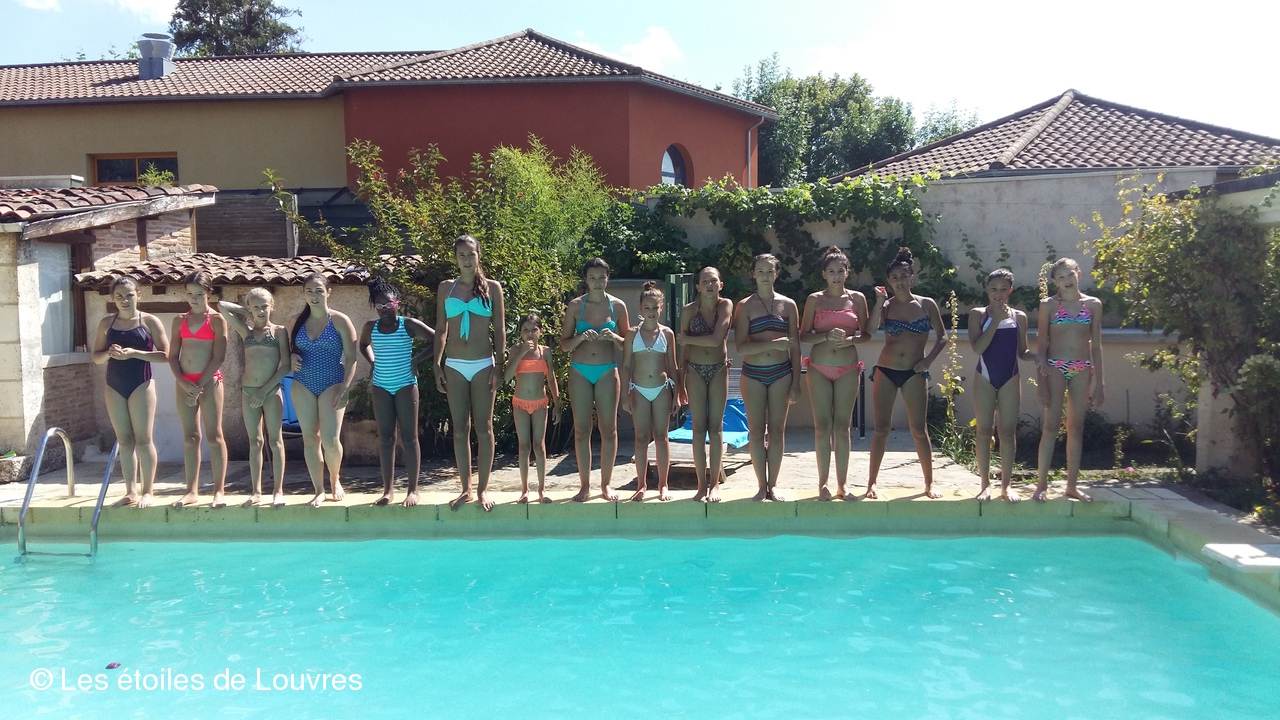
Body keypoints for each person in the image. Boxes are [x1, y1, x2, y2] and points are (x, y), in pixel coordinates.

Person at [866, 248, 948, 500]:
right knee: (881, 429)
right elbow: (870, 330)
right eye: (894, 277)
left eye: (904, 276)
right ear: (888, 281)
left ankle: (929, 483)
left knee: (919, 429)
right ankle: (871, 483)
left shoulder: (926, 304)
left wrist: (928, 360)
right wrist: (879, 302)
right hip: (886, 370)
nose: (899, 281)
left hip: (914, 371)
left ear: (912, 277)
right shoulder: (886, 306)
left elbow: (942, 336)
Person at [435, 235, 506, 511]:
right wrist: (437, 364)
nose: (466, 259)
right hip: (454, 364)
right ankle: (465, 488)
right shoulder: (446, 288)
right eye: (461, 255)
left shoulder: (493, 288)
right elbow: (441, 329)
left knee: (484, 428)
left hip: (483, 365)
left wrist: (499, 365)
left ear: (479, 255)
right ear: (455, 258)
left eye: (471, 254)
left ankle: (483, 489)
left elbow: (499, 330)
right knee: (460, 428)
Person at [800, 246, 870, 500]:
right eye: (832, 272)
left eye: (841, 271)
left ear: (847, 272)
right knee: (822, 427)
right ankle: (823, 484)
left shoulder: (857, 299)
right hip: (819, 367)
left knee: (842, 427)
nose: (836, 276)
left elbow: (866, 335)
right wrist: (826, 336)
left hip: (848, 368)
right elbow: (803, 335)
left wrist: (851, 340)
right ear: (824, 274)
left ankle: (843, 484)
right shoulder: (814, 300)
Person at [92, 276, 169, 509]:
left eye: (129, 295)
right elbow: (96, 357)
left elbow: (166, 355)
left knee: (144, 440)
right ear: (113, 298)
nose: (125, 300)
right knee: (125, 441)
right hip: (114, 385)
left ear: (139, 295)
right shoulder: (107, 323)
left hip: (141, 384)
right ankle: (130, 491)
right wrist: (109, 353)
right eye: (119, 296)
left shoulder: (149, 321)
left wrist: (135, 353)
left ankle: (148, 491)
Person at [358, 278, 435, 508]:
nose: (385, 309)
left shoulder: (408, 325)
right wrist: (373, 362)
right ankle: (388, 490)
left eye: (389, 304)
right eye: (380, 306)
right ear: (375, 307)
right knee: (386, 438)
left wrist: (416, 360)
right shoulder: (370, 327)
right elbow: (363, 345)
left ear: (397, 303)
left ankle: (413, 490)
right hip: (381, 386)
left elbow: (437, 339)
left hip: (405, 385)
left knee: (409, 438)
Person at [1035, 258, 1105, 502]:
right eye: (1061, 277)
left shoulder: (1093, 305)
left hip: (1082, 367)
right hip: (1055, 366)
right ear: (1055, 282)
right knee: (1050, 426)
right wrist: (1041, 382)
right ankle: (1041, 485)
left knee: (1076, 428)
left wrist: (1100, 383)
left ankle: (1072, 486)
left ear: (1079, 274)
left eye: (1070, 274)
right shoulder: (1049, 305)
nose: (1067, 280)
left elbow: (1096, 346)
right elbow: (1041, 345)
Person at [560, 258, 630, 502]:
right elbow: (564, 345)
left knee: (608, 429)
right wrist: (580, 338)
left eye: (602, 277)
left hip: (607, 371)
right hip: (580, 371)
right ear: (586, 280)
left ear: (607, 278)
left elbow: (628, 344)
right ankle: (584, 485)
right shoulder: (576, 306)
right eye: (592, 278)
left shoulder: (618, 306)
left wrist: (614, 338)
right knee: (582, 430)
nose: (598, 282)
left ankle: (606, 484)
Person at [733, 253, 801, 502]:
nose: (765, 275)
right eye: (760, 271)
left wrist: (797, 381)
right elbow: (741, 347)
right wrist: (773, 344)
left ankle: (774, 485)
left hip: (781, 373)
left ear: (777, 274)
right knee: (756, 431)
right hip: (753, 374)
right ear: (753, 274)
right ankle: (761, 485)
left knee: (777, 431)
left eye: (769, 271)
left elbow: (796, 347)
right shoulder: (744, 306)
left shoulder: (788, 305)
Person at [290, 272, 359, 508]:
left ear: (328, 292)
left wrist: (346, 387)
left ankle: (334, 479)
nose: (314, 296)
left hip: (333, 383)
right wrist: (291, 357)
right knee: (310, 438)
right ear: (304, 294)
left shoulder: (339, 321)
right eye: (309, 291)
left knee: (330, 440)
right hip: (303, 383)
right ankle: (318, 489)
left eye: (319, 291)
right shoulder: (297, 321)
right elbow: (289, 351)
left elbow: (351, 358)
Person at [218, 288, 291, 507]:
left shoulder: (279, 332)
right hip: (248, 392)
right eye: (256, 307)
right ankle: (256, 491)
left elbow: (285, 366)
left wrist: (264, 391)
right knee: (255, 441)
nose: (260, 311)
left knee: (275, 440)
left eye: (264, 306)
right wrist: (247, 312)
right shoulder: (246, 332)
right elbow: (222, 306)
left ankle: (278, 490)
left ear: (272, 306)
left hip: (270, 392)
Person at [968, 269, 1034, 503]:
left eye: (1003, 289)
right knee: (984, 431)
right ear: (986, 289)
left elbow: (1022, 351)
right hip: (984, 376)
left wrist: (1038, 357)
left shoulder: (1019, 317)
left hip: (1010, 377)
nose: (999, 294)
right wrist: (995, 320)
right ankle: (985, 484)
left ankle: (1006, 485)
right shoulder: (978, 314)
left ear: (1010, 291)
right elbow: (978, 348)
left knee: (1007, 432)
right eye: (994, 289)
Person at [167, 271, 229, 508]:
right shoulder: (178, 320)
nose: (194, 298)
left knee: (214, 436)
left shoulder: (216, 320)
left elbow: (218, 357)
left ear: (208, 293)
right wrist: (183, 382)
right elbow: (173, 356)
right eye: (190, 294)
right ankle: (191, 491)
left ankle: (218, 491)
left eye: (199, 294)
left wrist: (200, 384)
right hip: (184, 382)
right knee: (190, 437)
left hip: (209, 381)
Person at [621, 282, 683, 502]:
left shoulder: (667, 333)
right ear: (640, 308)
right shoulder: (632, 334)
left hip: (661, 389)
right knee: (640, 437)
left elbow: (672, 366)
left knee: (661, 436)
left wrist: (678, 394)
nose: (651, 312)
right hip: (638, 389)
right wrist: (624, 395)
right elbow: (626, 366)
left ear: (661, 308)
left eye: (655, 308)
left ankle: (663, 484)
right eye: (647, 308)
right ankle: (641, 485)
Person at [678, 267, 733, 503]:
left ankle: (714, 485)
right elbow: (683, 351)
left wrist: (689, 338)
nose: (709, 285)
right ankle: (701, 485)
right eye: (705, 281)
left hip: (718, 369)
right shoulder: (689, 310)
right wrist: (680, 383)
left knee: (716, 429)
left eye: (713, 281)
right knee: (698, 429)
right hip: (695, 370)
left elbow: (716, 340)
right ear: (698, 287)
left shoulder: (725, 305)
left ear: (721, 285)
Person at [503, 312, 561, 504]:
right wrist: (520, 354)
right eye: (525, 330)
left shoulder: (545, 352)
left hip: (540, 403)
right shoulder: (515, 350)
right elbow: (507, 377)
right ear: (520, 333)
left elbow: (551, 378)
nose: (530, 334)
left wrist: (557, 404)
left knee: (539, 445)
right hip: (520, 403)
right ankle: (525, 489)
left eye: (534, 330)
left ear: (540, 331)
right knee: (524, 446)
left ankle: (542, 489)